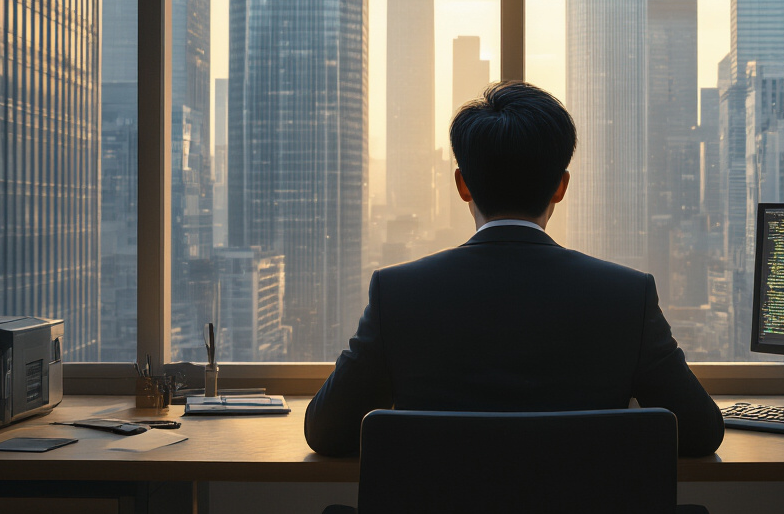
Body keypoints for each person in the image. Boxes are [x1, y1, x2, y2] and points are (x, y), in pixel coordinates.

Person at [304, 81, 724, 457]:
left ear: (462, 184)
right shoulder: (627, 296)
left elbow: (326, 432)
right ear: (561, 186)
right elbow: (702, 432)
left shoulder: (397, 293)